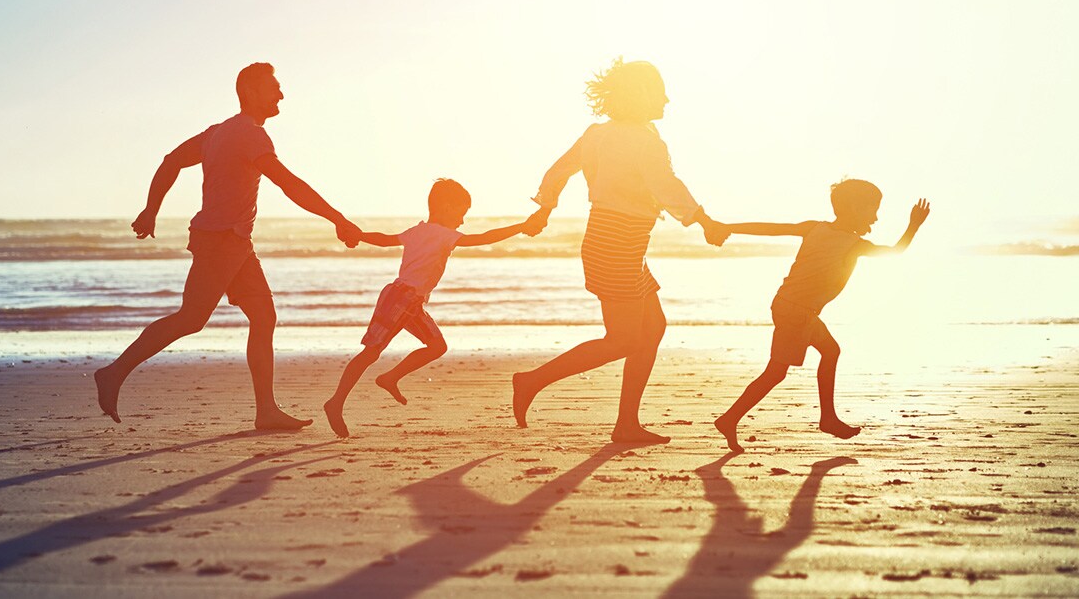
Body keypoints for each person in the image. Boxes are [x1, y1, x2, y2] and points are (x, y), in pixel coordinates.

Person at [94, 63, 362, 430]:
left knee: (264, 316)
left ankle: (266, 411)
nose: (281, 94)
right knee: (191, 318)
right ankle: (113, 373)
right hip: (220, 241)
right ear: (250, 92)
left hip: (234, 243)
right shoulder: (250, 135)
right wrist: (338, 219)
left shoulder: (217, 133)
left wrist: (151, 208)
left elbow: (171, 160)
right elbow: (289, 184)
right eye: (274, 88)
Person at [512, 58, 727, 444]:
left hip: (617, 242)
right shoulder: (645, 141)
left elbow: (558, 170)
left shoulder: (599, 134)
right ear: (640, 94)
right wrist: (704, 220)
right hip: (617, 243)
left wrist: (545, 208)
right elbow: (667, 185)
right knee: (624, 339)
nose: (667, 98)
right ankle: (532, 381)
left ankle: (626, 423)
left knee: (653, 328)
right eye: (660, 90)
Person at [713, 180, 931, 452]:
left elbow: (771, 229)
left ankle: (827, 418)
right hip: (797, 312)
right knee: (775, 373)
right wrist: (914, 225)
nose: (876, 217)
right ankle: (730, 418)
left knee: (830, 350)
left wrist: (728, 227)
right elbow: (896, 251)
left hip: (789, 305)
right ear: (854, 208)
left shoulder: (815, 228)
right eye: (872, 209)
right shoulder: (854, 244)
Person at [323, 179, 545, 438]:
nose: (462, 221)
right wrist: (521, 226)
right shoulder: (442, 234)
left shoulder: (418, 231)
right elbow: (483, 238)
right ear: (447, 207)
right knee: (371, 352)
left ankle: (390, 378)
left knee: (437, 346)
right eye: (461, 213)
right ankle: (336, 402)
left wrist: (359, 235)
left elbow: (385, 240)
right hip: (400, 299)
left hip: (410, 302)